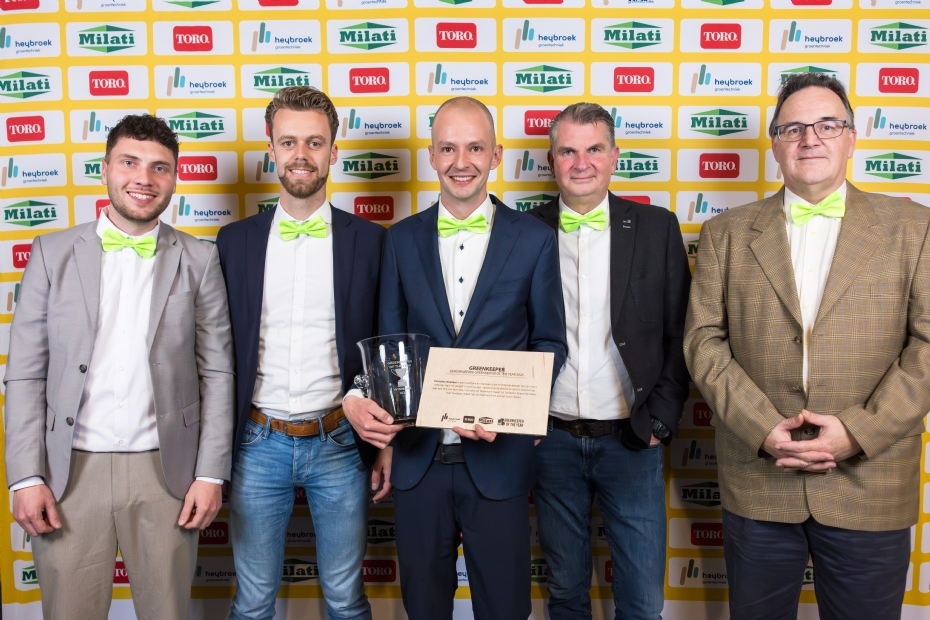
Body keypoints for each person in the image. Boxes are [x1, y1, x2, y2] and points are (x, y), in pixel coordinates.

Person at [684, 72, 930, 620]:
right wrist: (761, 428)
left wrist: (858, 432)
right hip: (759, 480)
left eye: (827, 125)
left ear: (851, 137)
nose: (809, 138)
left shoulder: (915, 227)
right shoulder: (726, 233)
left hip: (871, 482)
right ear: (775, 144)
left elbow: (928, 345)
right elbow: (703, 341)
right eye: (792, 128)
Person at [4, 114, 234, 619]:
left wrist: (210, 474)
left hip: (167, 475)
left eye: (159, 167)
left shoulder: (200, 259)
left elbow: (218, 375)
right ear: (105, 167)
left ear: (175, 178)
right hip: (67, 475)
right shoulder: (50, 253)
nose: (143, 179)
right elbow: (25, 373)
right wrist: (24, 477)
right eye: (129, 163)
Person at [376, 96, 567, 620]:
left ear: (496, 155)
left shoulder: (534, 239)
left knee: (505, 608)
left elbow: (550, 342)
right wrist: (388, 441)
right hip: (417, 461)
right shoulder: (400, 240)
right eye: (448, 148)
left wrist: (512, 410)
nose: (461, 162)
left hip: (499, 461)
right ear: (431, 156)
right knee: (423, 608)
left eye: (475, 148)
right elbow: (390, 347)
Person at [216, 86, 392, 620]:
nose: (301, 154)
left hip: (341, 438)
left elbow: (385, 343)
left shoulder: (372, 241)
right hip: (256, 441)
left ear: (333, 152)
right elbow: (215, 352)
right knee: (252, 602)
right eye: (288, 141)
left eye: (314, 142)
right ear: (271, 149)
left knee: (345, 598)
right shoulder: (233, 242)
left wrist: (387, 443)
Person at [528, 102, 691, 620]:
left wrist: (660, 420)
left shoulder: (657, 227)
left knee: (642, 602)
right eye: (568, 152)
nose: (582, 163)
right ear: (551, 161)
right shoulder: (522, 231)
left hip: (632, 439)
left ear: (615, 156)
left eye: (594, 149)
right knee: (566, 594)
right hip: (550, 439)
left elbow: (680, 330)